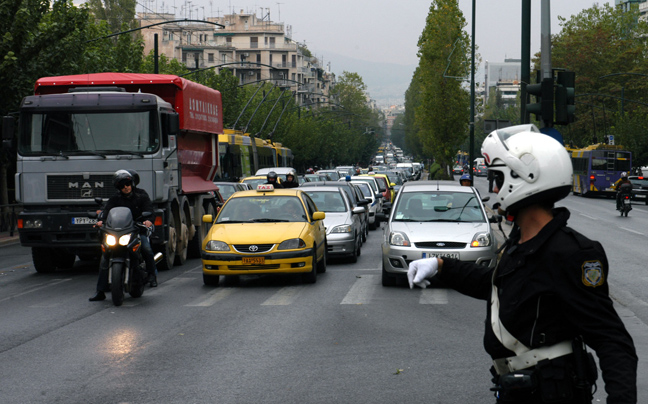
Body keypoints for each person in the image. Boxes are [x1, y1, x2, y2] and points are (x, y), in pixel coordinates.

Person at [407, 126, 637, 403]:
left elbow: (611, 339)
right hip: (517, 389)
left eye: (498, 178)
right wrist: (442, 265)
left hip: (553, 393)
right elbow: (500, 286)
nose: (493, 188)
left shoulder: (572, 253)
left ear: (525, 177)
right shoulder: (521, 241)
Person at [89, 170, 158, 301]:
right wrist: (101, 221)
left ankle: (152, 275)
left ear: (132, 183)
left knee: (146, 249)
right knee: (105, 257)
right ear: (118, 188)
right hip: (117, 232)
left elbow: (149, 210)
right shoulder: (115, 198)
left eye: (127, 184)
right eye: (122, 185)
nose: (125, 187)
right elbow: (106, 211)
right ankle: (100, 291)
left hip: (136, 230)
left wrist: (148, 220)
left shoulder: (141, 195)